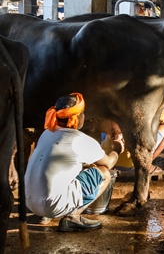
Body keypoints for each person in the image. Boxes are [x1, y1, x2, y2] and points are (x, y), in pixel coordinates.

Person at [24, 92, 122, 232]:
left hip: (29, 202)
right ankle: (72, 217)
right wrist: (116, 148)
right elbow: (109, 163)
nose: (84, 116)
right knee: (104, 173)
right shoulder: (79, 139)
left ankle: (46, 215)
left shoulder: (46, 133)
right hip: (52, 206)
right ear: (77, 117)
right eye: (82, 113)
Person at [101, 108, 164, 177]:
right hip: (132, 162)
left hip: (106, 158)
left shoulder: (112, 104)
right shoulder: (149, 105)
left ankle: (111, 164)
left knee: (109, 128)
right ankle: (146, 164)